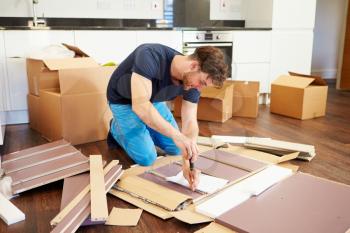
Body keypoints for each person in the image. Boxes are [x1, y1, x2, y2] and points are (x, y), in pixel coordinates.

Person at [106, 43, 228, 190]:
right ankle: (115, 128)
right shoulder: (150, 55)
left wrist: (188, 159)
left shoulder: (192, 82)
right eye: (201, 82)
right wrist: (178, 136)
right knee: (147, 158)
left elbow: (190, 121)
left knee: (176, 149)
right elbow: (141, 107)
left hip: (153, 101)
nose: (199, 88)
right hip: (124, 101)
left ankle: (148, 126)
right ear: (194, 65)